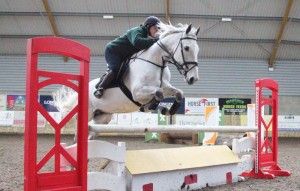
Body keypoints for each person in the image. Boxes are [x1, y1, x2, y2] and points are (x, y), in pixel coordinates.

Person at [94, 16, 161, 99]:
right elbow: (137, 42)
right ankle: (100, 88)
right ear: (148, 26)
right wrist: (155, 40)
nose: (156, 31)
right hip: (113, 51)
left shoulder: (147, 36)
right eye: (155, 28)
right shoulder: (137, 30)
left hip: (125, 54)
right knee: (116, 68)